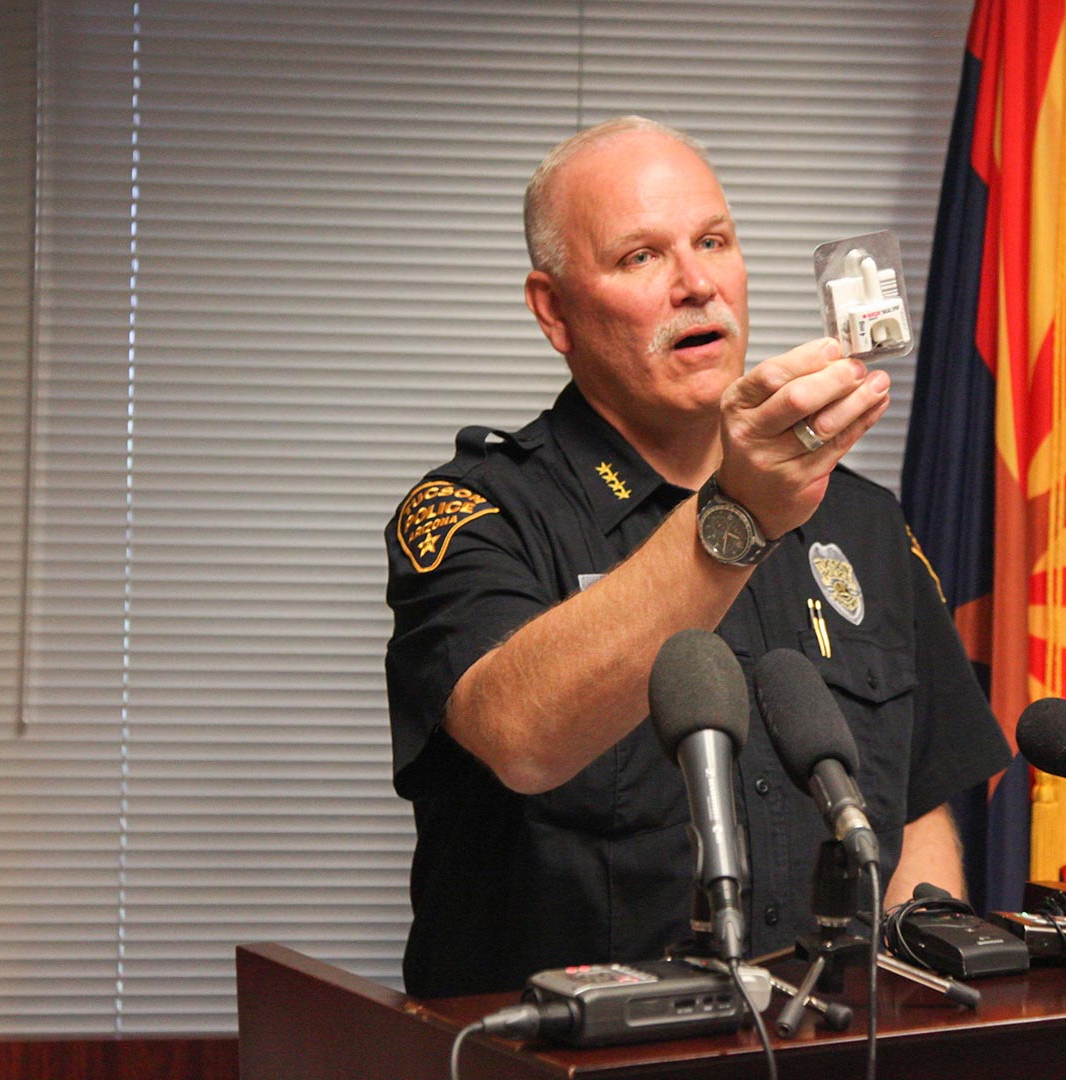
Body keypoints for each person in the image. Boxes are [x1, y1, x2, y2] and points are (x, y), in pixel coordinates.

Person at [384, 116, 1008, 999]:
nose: (697, 284)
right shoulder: (481, 512)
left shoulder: (863, 520)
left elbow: (914, 807)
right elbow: (518, 740)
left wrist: (908, 1016)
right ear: (553, 309)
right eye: (640, 257)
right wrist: (739, 513)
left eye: (713, 241)